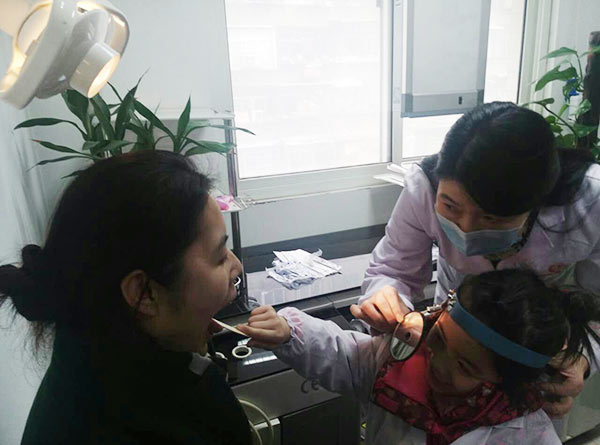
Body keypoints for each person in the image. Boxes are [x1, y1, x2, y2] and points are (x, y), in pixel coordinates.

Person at [351, 101, 600, 417]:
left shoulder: (590, 203)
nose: (466, 228)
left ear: (537, 203)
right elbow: (393, 268)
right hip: (452, 336)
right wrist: (386, 296)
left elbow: (596, 302)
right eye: (450, 207)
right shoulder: (423, 188)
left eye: (492, 218)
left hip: (530, 351)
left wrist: (584, 357)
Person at [0, 151, 251, 444]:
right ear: (145, 294)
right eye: (219, 256)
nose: (237, 266)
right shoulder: (153, 423)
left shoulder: (85, 360)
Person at [237, 269, 600, 445]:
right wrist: (290, 332)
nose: (438, 364)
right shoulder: (396, 363)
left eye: (464, 366)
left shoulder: (526, 433)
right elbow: (343, 353)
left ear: (504, 381)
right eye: (438, 338)